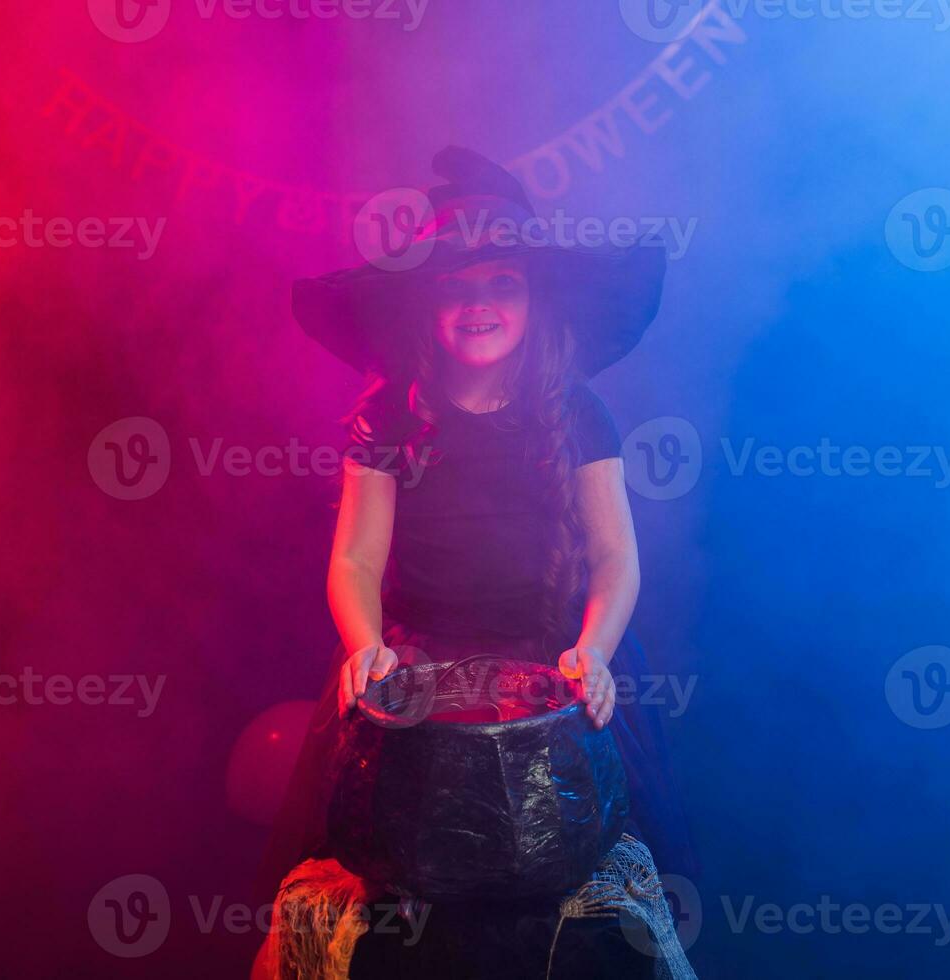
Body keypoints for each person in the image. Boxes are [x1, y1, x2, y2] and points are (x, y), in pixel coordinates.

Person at [255, 146, 698, 919]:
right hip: (417, 660)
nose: (479, 303)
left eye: (503, 282)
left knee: (566, 876)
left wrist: (592, 651)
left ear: (535, 302)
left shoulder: (578, 413)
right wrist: (366, 647)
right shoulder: (389, 415)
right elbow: (356, 559)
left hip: (553, 660)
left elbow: (615, 556)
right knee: (401, 873)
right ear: (426, 305)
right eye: (455, 287)